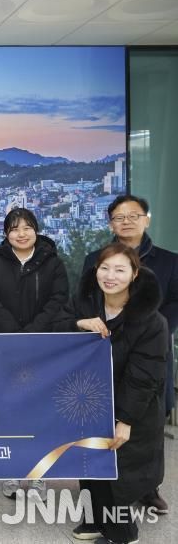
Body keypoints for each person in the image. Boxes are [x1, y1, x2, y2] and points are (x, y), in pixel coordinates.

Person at [56, 243, 167, 544]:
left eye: (120, 270)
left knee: (118, 472)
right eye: (104, 268)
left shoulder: (151, 321)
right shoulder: (84, 303)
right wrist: (78, 323)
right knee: (89, 463)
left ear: (134, 274)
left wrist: (125, 420)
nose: (110, 276)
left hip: (131, 407)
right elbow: (53, 328)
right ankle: (94, 520)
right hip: (88, 403)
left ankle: (123, 534)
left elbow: (144, 377)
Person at [82, 194, 178, 515]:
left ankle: (148, 489)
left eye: (133, 216)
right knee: (105, 422)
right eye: (119, 217)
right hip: (105, 351)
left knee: (147, 423)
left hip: (151, 350)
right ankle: (104, 492)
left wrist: (154, 329)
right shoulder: (95, 259)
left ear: (146, 220)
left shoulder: (169, 260)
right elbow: (84, 300)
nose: (126, 222)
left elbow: (175, 302)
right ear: (110, 223)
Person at [0, 207, 69, 502]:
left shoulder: (52, 262)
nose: (21, 233)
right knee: (9, 409)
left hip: (43, 347)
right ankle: (12, 469)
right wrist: (14, 333)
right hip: (5, 347)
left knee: (41, 410)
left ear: (36, 231)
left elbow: (58, 299)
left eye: (27, 227)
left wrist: (33, 331)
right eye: (15, 228)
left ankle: (40, 474)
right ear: (6, 233)